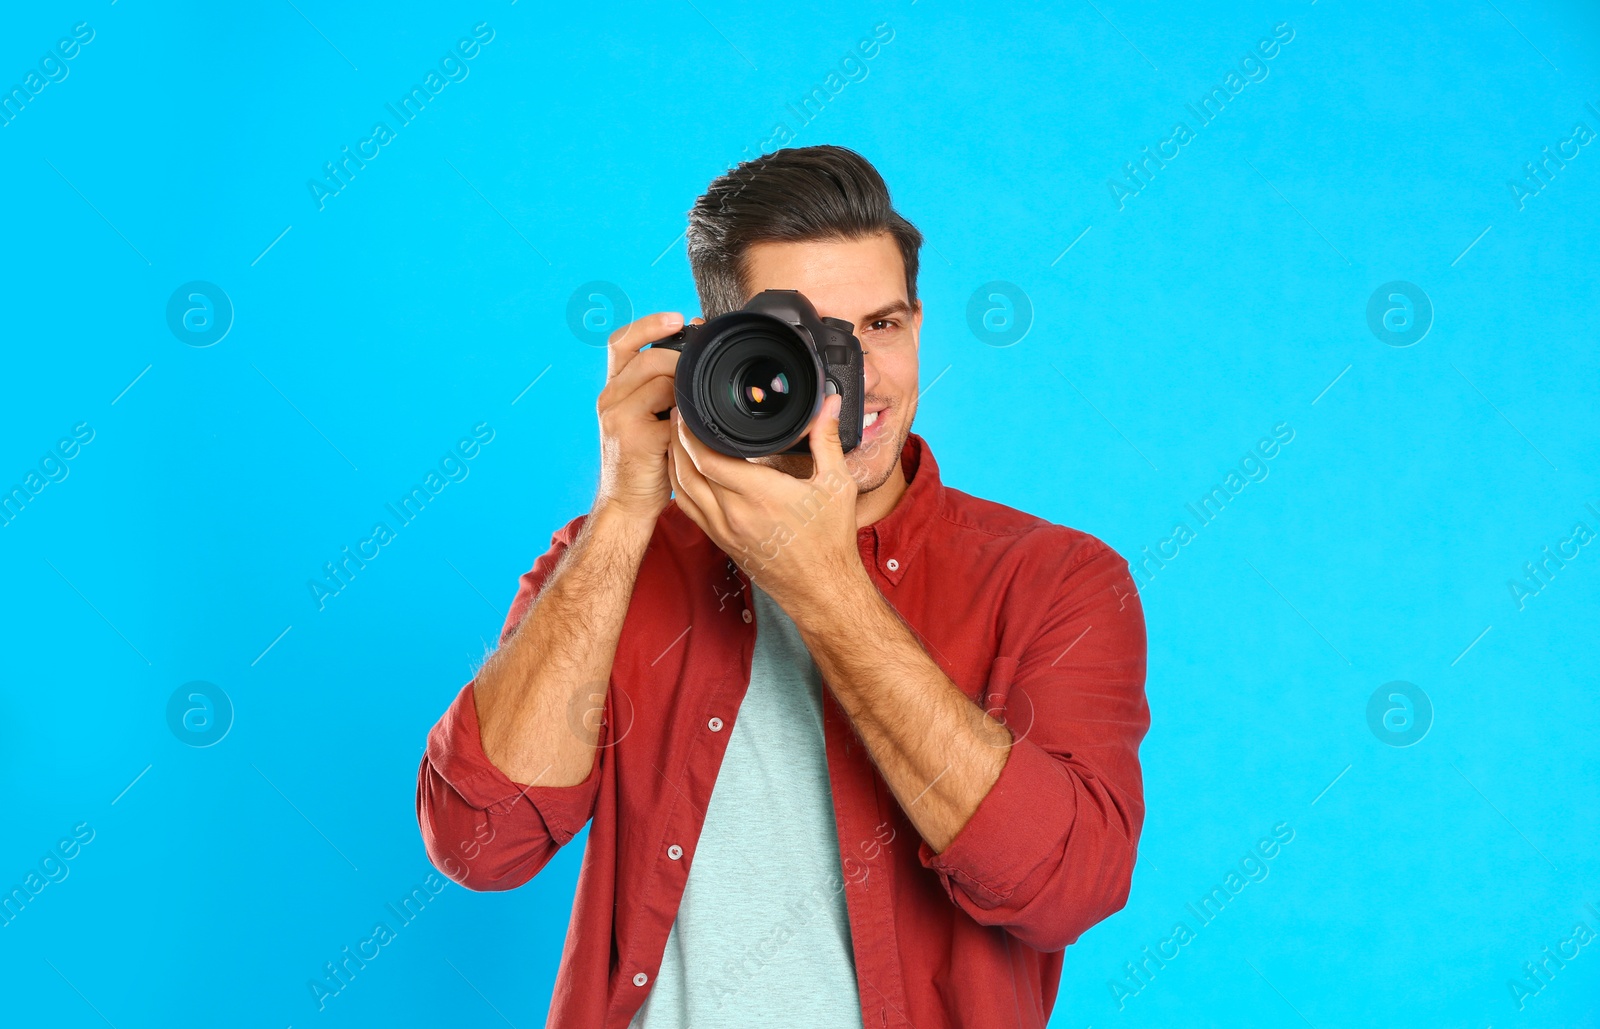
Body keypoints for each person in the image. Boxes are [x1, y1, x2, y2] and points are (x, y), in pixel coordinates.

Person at [415, 144, 1149, 1029]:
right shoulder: (614, 560)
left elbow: (1065, 886)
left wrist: (825, 586)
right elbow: (480, 841)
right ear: (721, 350)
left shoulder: (1056, 579)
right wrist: (620, 513)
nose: (856, 378)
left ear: (918, 325)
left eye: (878, 326)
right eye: (809, 340)